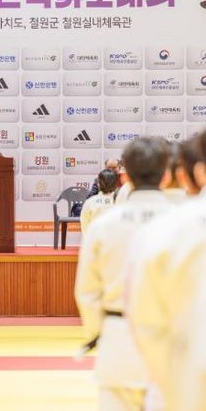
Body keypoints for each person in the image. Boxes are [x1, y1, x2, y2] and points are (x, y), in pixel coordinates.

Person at [75, 137, 172, 411]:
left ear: (124, 175)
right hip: (172, 346)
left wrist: (101, 332)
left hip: (118, 342)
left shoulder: (104, 226)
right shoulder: (187, 222)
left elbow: (87, 293)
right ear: (167, 173)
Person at [126, 134, 206, 411]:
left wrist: (169, 379)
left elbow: (144, 317)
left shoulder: (164, 229)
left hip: (187, 372)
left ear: (196, 173)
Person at [80, 169, 118, 235]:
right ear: (116, 185)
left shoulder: (89, 202)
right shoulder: (121, 202)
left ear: (98, 184)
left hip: (93, 239)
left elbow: (85, 226)